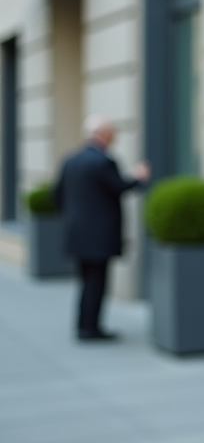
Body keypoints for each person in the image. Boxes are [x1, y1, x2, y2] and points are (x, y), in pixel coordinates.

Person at [53, 115, 150, 341]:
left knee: (86, 281)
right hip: (99, 235)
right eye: (112, 132)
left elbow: (57, 196)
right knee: (97, 283)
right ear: (103, 134)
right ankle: (91, 329)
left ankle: (84, 325)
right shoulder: (104, 162)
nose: (115, 137)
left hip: (77, 232)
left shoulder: (70, 160)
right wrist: (138, 177)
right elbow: (120, 187)